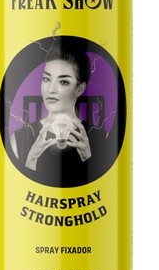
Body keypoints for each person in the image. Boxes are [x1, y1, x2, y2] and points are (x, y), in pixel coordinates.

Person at [10, 38, 101, 184]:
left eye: (63, 81)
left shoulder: (99, 139)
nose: (51, 89)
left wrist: (88, 157)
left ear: (79, 89)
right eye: (46, 79)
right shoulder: (19, 139)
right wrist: (31, 159)